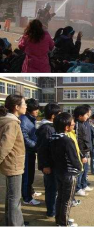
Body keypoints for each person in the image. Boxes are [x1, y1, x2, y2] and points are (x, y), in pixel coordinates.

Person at [49, 112, 82, 227]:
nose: (73, 126)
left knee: (60, 198)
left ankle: (60, 220)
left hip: (59, 172)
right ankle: (63, 223)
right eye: (72, 125)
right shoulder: (67, 140)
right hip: (69, 173)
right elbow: (74, 158)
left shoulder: (52, 138)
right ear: (66, 127)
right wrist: (79, 167)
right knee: (67, 200)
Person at [0, 95, 26, 226]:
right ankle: (16, 224)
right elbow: (5, 146)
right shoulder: (12, 123)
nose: (25, 106)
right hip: (13, 164)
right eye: (24, 104)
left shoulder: (10, 121)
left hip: (12, 163)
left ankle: (10, 222)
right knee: (14, 199)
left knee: (11, 197)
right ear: (17, 107)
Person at [35, 103, 61, 218]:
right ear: (53, 115)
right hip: (49, 165)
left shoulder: (52, 126)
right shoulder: (46, 129)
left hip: (54, 163)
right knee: (51, 188)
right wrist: (45, 165)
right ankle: (51, 211)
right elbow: (42, 149)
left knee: (54, 188)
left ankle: (53, 208)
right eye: (59, 114)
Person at [20, 98, 41, 206]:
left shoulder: (31, 119)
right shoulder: (23, 119)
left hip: (31, 151)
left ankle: (30, 192)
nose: (37, 112)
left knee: (31, 174)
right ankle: (27, 198)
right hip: (26, 152)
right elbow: (24, 138)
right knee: (27, 176)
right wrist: (36, 146)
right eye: (35, 110)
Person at [74, 106, 92, 197]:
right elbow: (77, 141)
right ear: (80, 116)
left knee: (85, 169)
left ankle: (84, 185)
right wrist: (81, 155)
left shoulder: (84, 123)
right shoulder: (77, 125)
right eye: (86, 114)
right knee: (80, 171)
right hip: (81, 152)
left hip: (86, 150)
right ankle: (78, 188)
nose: (88, 116)